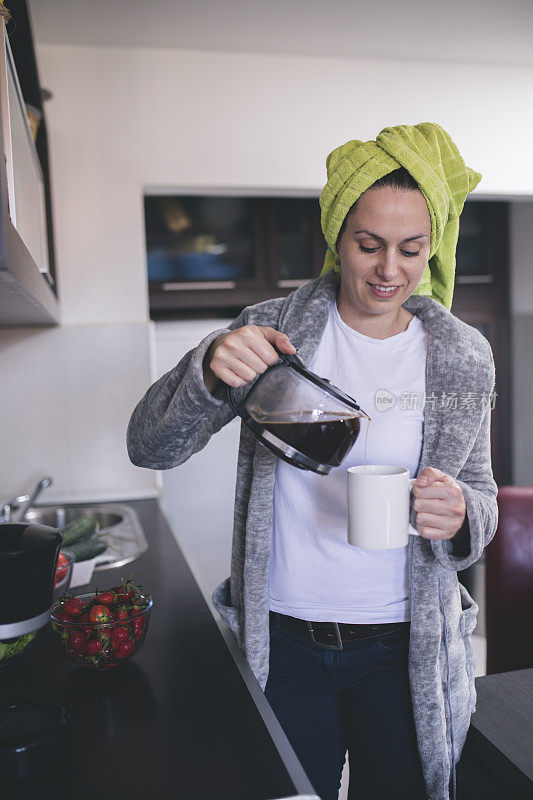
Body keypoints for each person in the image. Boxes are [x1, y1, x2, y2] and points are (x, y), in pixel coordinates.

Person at [127, 122, 498, 800]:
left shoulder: (459, 354)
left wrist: (461, 512)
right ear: (336, 238)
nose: (389, 270)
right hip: (285, 642)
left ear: (431, 248)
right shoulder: (272, 332)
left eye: (411, 249)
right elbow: (150, 446)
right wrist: (207, 369)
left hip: (402, 647)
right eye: (368, 245)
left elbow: (480, 494)